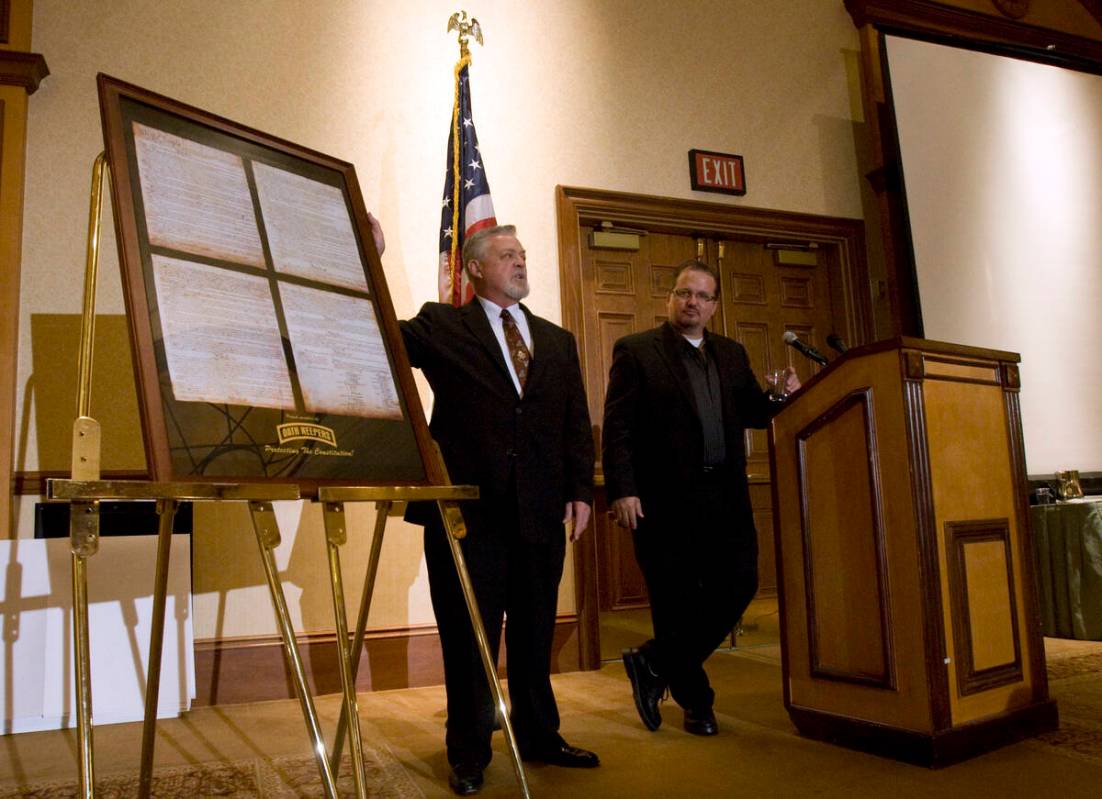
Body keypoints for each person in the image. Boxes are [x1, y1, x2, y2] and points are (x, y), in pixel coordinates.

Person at [397, 223, 599, 796]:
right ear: (475, 269)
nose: (519, 263)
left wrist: (581, 490)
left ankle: (540, 737)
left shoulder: (555, 340)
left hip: (540, 516)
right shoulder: (443, 325)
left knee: (535, 634)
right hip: (467, 519)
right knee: (469, 637)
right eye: (507, 255)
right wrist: (369, 255)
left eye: (522, 255)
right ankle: (468, 753)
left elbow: (573, 423)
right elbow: (381, 339)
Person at [601, 258, 799, 737]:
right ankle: (697, 704)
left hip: (725, 498)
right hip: (663, 501)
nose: (692, 302)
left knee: (740, 583)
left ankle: (653, 662)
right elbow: (619, 427)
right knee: (676, 603)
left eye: (702, 296)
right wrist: (623, 489)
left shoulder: (731, 354)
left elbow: (753, 413)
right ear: (671, 298)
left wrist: (782, 398)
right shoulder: (638, 350)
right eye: (684, 293)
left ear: (713, 306)